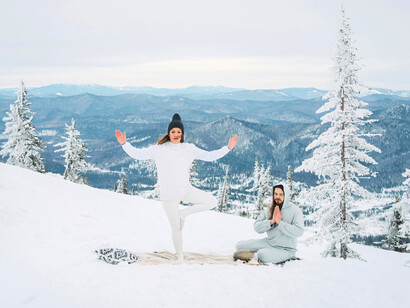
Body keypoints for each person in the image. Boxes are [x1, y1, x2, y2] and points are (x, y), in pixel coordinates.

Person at [115, 113, 238, 260]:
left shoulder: (189, 148)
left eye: (179, 132)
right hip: (168, 197)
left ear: (182, 134)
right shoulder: (159, 149)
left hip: (186, 190)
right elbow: (138, 154)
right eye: (173, 131)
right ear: (169, 133)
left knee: (212, 202)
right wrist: (124, 144)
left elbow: (210, 156)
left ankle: (183, 214)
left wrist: (228, 148)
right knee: (176, 228)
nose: (176, 134)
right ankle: (180, 257)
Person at [234, 183, 304, 264]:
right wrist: (271, 222)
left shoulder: (295, 211)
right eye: (276, 194)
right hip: (269, 242)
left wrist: (280, 223)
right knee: (239, 246)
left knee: (262, 255)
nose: (277, 197)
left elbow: (299, 231)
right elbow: (257, 227)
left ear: (286, 195)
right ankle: (257, 254)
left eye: (281, 194)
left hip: (286, 249)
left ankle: (259, 255)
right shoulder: (269, 209)